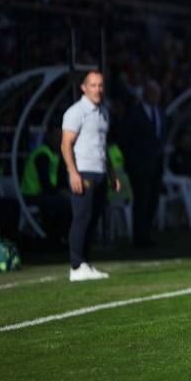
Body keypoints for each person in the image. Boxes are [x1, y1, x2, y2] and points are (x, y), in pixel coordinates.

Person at [60, 70, 121, 281]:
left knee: (93, 219)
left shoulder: (104, 112)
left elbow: (103, 146)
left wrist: (112, 175)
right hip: (83, 170)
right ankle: (76, 266)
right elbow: (66, 143)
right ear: (84, 88)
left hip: (100, 171)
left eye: (101, 85)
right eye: (93, 85)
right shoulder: (76, 112)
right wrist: (72, 172)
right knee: (81, 218)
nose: (98, 89)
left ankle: (85, 262)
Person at [121, 79, 165, 247]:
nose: (156, 97)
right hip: (139, 166)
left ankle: (147, 232)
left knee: (153, 199)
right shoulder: (134, 113)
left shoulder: (160, 113)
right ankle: (139, 236)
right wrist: (132, 161)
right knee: (141, 200)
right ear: (146, 94)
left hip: (156, 164)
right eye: (153, 94)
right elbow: (125, 139)